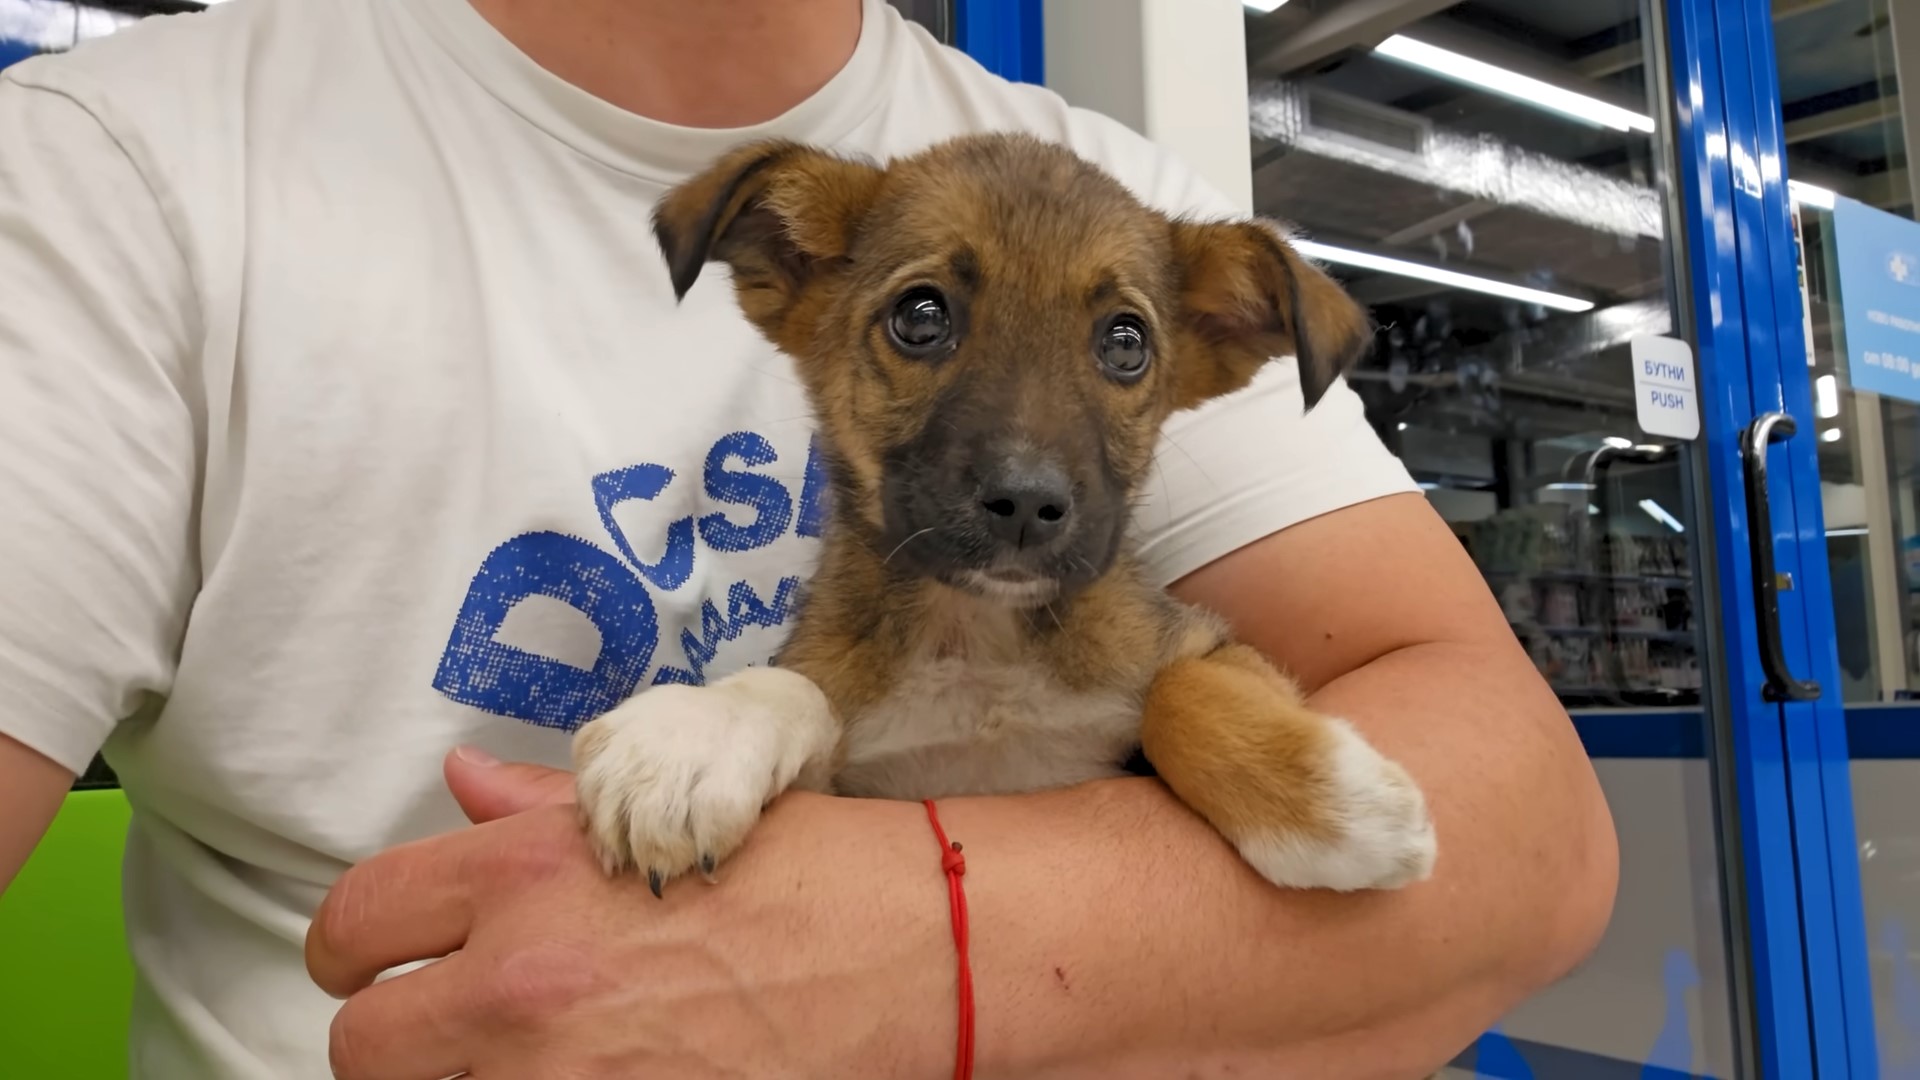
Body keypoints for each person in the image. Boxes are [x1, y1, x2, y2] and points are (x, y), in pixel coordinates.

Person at [0, 0, 1618, 1075]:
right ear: (782, 279)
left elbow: (1526, 844)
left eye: (1122, 350)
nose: (1026, 463)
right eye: (922, 319)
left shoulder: (1122, 198)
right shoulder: (116, 173)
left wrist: (925, 946)